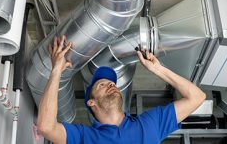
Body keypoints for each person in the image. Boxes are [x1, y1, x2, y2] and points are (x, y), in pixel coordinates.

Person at [37, 35, 206, 144]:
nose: (111, 84)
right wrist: (56, 70)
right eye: (102, 85)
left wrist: (158, 69)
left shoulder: (150, 123)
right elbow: (45, 127)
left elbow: (197, 97)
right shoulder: (83, 137)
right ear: (91, 102)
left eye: (112, 84)